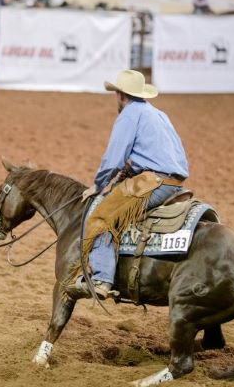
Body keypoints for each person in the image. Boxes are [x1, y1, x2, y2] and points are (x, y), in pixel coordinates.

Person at [67, 69, 189, 300]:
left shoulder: (129, 115)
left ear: (121, 95)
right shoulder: (159, 115)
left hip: (152, 183)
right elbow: (175, 156)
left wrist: (98, 184)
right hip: (175, 184)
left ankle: (102, 279)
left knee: (102, 216)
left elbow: (113, 158)